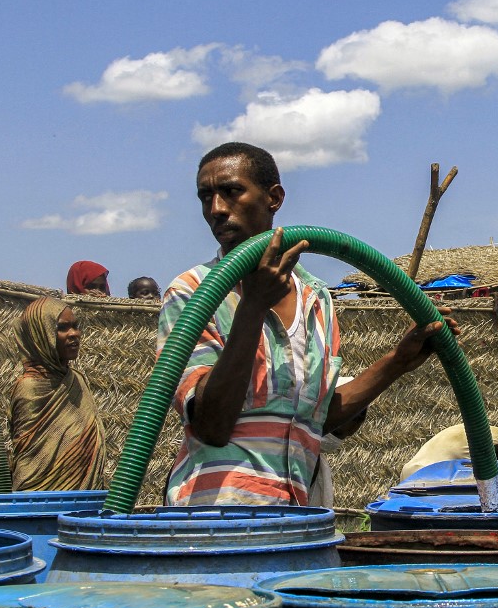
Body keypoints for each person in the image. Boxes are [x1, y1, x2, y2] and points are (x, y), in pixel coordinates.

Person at [159, 142, 457, 506]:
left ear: (274, 198)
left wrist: (398, 361)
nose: (217, 209)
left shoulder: (315, 298)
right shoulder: (192, 292)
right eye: (206, 197)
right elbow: (211, 425)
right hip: (218, 521)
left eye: (232, 191)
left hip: (299, 516)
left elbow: (318, 418)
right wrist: (252, 308)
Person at [7, 297, 106, 491]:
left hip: (86, 500)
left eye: (76, 326)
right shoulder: (30, 389)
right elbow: (31, 458)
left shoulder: (76, 380)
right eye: (62, 328)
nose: (74, 334)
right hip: (39, 501)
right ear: (40, 335)